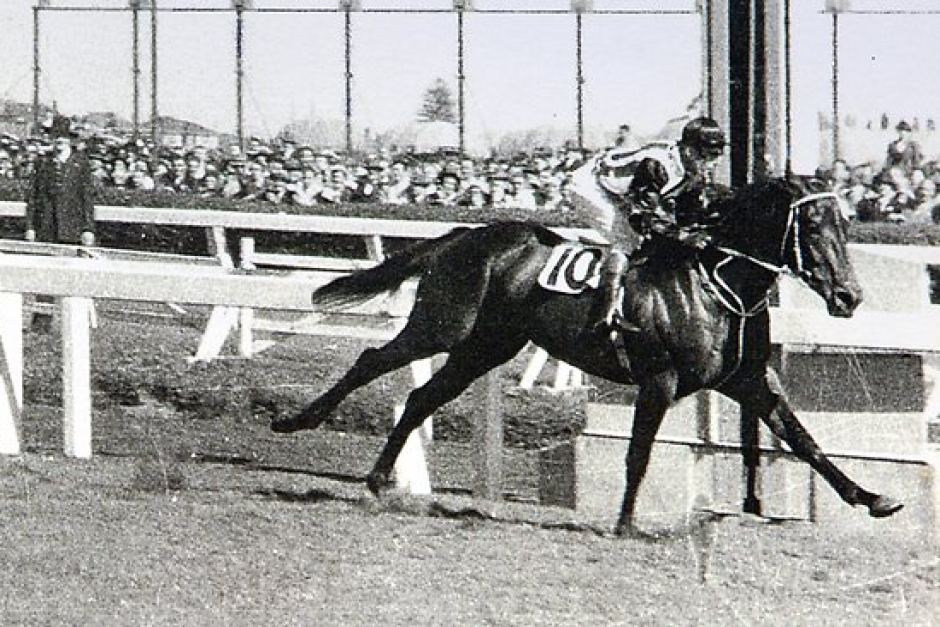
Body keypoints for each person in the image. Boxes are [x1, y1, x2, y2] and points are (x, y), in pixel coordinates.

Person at [588, 116, 727, 334]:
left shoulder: (692, 169)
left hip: (621, 190)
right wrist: (682, 236)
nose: (713, 163)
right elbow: (641, 217)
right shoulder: (657, 165)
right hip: (591, 186)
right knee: (628, 239)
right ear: (690, 151)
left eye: (717, 155)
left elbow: (689, 214)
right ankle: (606, 314)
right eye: (709, 156)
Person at [24, 115, 97, 331]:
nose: (59, 141)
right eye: (55, 137)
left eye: (63, 137)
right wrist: (30, 226)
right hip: (47, 225)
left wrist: (88, 228)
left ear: (70, 140)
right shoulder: (43, 162)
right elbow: (33, 198)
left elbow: (87, 198)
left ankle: (75, 323)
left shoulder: (80, 163)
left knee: (72, 274)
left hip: (72, 226)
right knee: (45, 274)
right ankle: (41, 322)